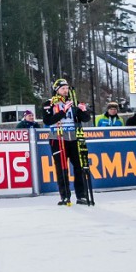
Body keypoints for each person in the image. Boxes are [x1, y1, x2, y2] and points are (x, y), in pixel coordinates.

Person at [42, 78, 92, 206]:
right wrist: (63, 111)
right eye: (63, 88)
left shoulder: (73, 102)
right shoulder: (49, 103)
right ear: (57, 90)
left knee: (79, 167)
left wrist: (84, 110)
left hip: (74, 138)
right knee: (62, 168)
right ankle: (65, 196)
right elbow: (48, 121)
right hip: (58, 138)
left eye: (67, 88)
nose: (65, 91)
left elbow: (85, 119)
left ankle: (81, 195)